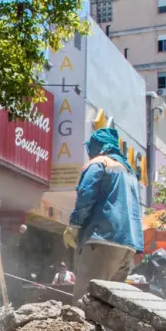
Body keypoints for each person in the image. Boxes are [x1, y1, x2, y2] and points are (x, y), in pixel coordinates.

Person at [64, 127, 144, 301]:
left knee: (85, 299)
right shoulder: (129, 171)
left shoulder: (99, 163)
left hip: (102, 239)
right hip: (127, 245)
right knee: (108, 303)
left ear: (97, 146)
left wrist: (74, 224)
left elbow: (86, 193)